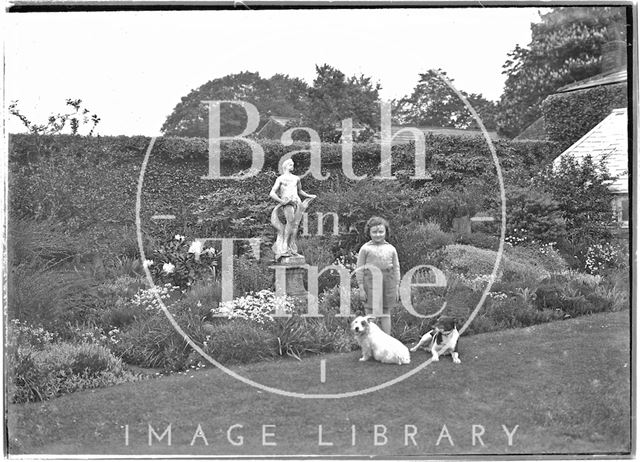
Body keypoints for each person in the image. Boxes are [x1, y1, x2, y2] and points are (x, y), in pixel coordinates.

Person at [356, 216, 400, 335]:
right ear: (369, 232)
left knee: (385, 312)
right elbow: (359, 269)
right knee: (371, 313)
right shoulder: (365, 249)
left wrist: (396, 287)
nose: (378, 235)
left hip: (388, 282)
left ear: (386, 232)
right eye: (374, 232)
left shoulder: (391, 249)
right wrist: (361, 288)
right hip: (370, 283)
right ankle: (371, 343)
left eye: (381, 231)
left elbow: (396, 269)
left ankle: (387, 342)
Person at [269, 159, 316, 260]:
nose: (292, 166)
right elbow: (272, 193)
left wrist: (309, 195)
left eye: (293, 165)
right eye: (290, 165)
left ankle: (292, 247)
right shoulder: (280, 179)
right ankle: (285, 246)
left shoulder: (296, 178)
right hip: (288, 202)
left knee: (296, 225)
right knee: (290, 223)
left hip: (297, 202)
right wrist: (282, 202)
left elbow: (300, 191)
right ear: (285, 166)